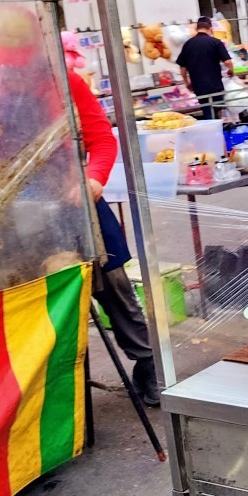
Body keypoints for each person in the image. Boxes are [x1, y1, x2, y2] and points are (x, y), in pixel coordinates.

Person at [67, 70, 160, 406]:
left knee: (115, 286)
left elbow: (102, 138)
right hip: (15, 216)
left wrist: (94, 178)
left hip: (78, 200)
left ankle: (148, 361)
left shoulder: (64, 80)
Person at [176, 17, 234, 119]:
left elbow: (182, 67)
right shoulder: (215, 42)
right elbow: (228, 61)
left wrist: (186, 82)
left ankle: (210, 129)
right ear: (210, 28)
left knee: (207, 112)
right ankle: (218, 129)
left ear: (197, 28)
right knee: (218, 110)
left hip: (199, 86)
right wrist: (231, 71)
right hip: (215, 84)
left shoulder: (188, 44)